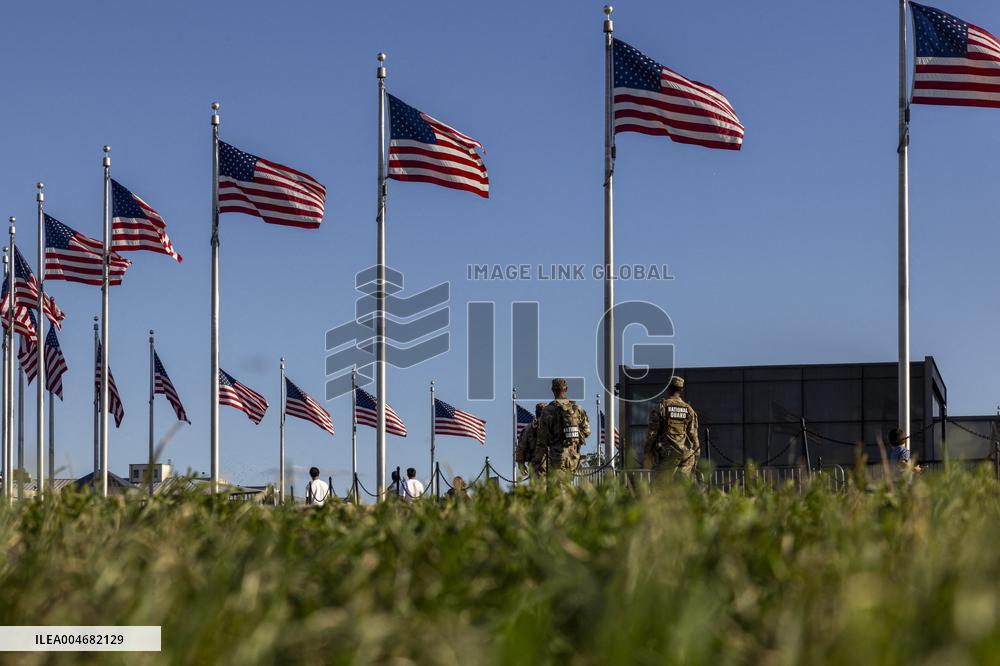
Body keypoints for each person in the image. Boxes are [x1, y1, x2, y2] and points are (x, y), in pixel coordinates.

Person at [644, 377, 700, 479]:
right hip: (685, 456)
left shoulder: (661, 407)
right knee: (683, 489)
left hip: (665, 455)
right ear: (681, 389)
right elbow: (694, 436)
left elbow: (652, 434)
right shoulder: (689, 409)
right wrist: (695, 457)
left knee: (661, 490)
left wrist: (647, 451)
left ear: (668, 388)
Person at [534, 378, 591, 474]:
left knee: (559, 487)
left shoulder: (548, 410)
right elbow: (587, 431)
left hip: (557, 457)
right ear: (566, 389)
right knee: (568, 486)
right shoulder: (577, 409)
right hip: (574, 457)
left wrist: (537, 461)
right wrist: (574, 438)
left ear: (552, 390)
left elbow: (542, 439)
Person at [515, 403, 547, 477]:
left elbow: (520, 448)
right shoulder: (553, 426)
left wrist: (521, 465)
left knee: (538, 488)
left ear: (536, 413)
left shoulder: (527, 429)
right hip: (552, 464)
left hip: (536, 465)